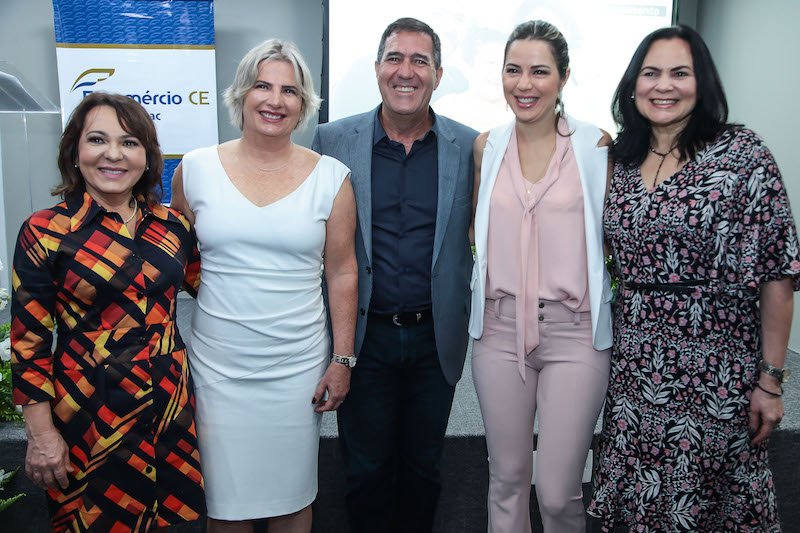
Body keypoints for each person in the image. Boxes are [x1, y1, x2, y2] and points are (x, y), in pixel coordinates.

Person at [588, 25, 798, 532]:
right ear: (632, 85)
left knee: (707, 505)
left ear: (702, 83)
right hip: (637, 364)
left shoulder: (742, 155)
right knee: (642, 502)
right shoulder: (617, 159)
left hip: (717, 369)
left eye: (680, 73)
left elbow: (777, 271)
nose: (664, 86)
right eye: (651, 73)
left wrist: (770, 381)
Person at [170, 38, 357, 532]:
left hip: (297, 369)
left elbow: (342, 272)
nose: (275, 100)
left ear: (304, 104)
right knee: (225, 506)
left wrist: (342, 360)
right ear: (241, 95)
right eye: (262, 86)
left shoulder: (332, 178)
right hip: (218, 369)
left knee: (293, 501)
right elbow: (177, 262)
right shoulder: (195, 169)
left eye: (289, 91)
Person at [313, 17, 478, 532]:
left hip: (435, 339)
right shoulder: (331, 140)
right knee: (364, 472)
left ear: (438, 73)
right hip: (365, 339)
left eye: (419, 60)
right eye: (395, 59)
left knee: (425, 470)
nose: (406, 72)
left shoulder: (470, 147)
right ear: (378, 69)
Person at [11, 91, 204, 531]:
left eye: (130, 142)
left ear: (147, 157)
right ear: (75, 153)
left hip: (168, 413)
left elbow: (213, 289)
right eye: (98, 140)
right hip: (89, 418)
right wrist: (41, 436)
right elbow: (29, 343)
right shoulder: (46, 231)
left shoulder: (174, 227)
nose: (113, 154)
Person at [469, 20, 613, 533]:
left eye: (539, 71)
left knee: (557, 493)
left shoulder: (598, 147)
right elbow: (474, 233)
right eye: (513, 70)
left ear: (564, 77)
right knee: (506, 480)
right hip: (498, 330)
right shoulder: (486, 146)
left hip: (574, 333)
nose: (524, 84)